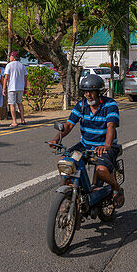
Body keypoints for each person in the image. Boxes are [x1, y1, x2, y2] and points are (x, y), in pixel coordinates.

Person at [52, 73, 124, 207]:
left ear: (99, 92)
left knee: (101, 171)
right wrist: (57, 139)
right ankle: (72, 194)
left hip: (105, 146)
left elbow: (111, 126)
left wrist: (106, 146)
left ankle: (116, 187)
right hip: (85, 145)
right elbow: (69, 125)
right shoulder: (81, 105)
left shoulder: (110, 104)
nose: (88, 95)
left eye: (91, 92)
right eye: (85, 92)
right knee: (65, 162)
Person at [2, 51, 27, 127]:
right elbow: (26, 78)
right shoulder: (22, 65)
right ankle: (23, 119)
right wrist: (25, 87)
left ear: (13, 57)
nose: (9, 57)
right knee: (20, 103)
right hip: (20, 87)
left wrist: (3, 89)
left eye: (10, 56)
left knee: (12, 105)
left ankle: (14, 121)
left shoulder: (9, 65)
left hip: (12, 88)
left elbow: (6, 78)